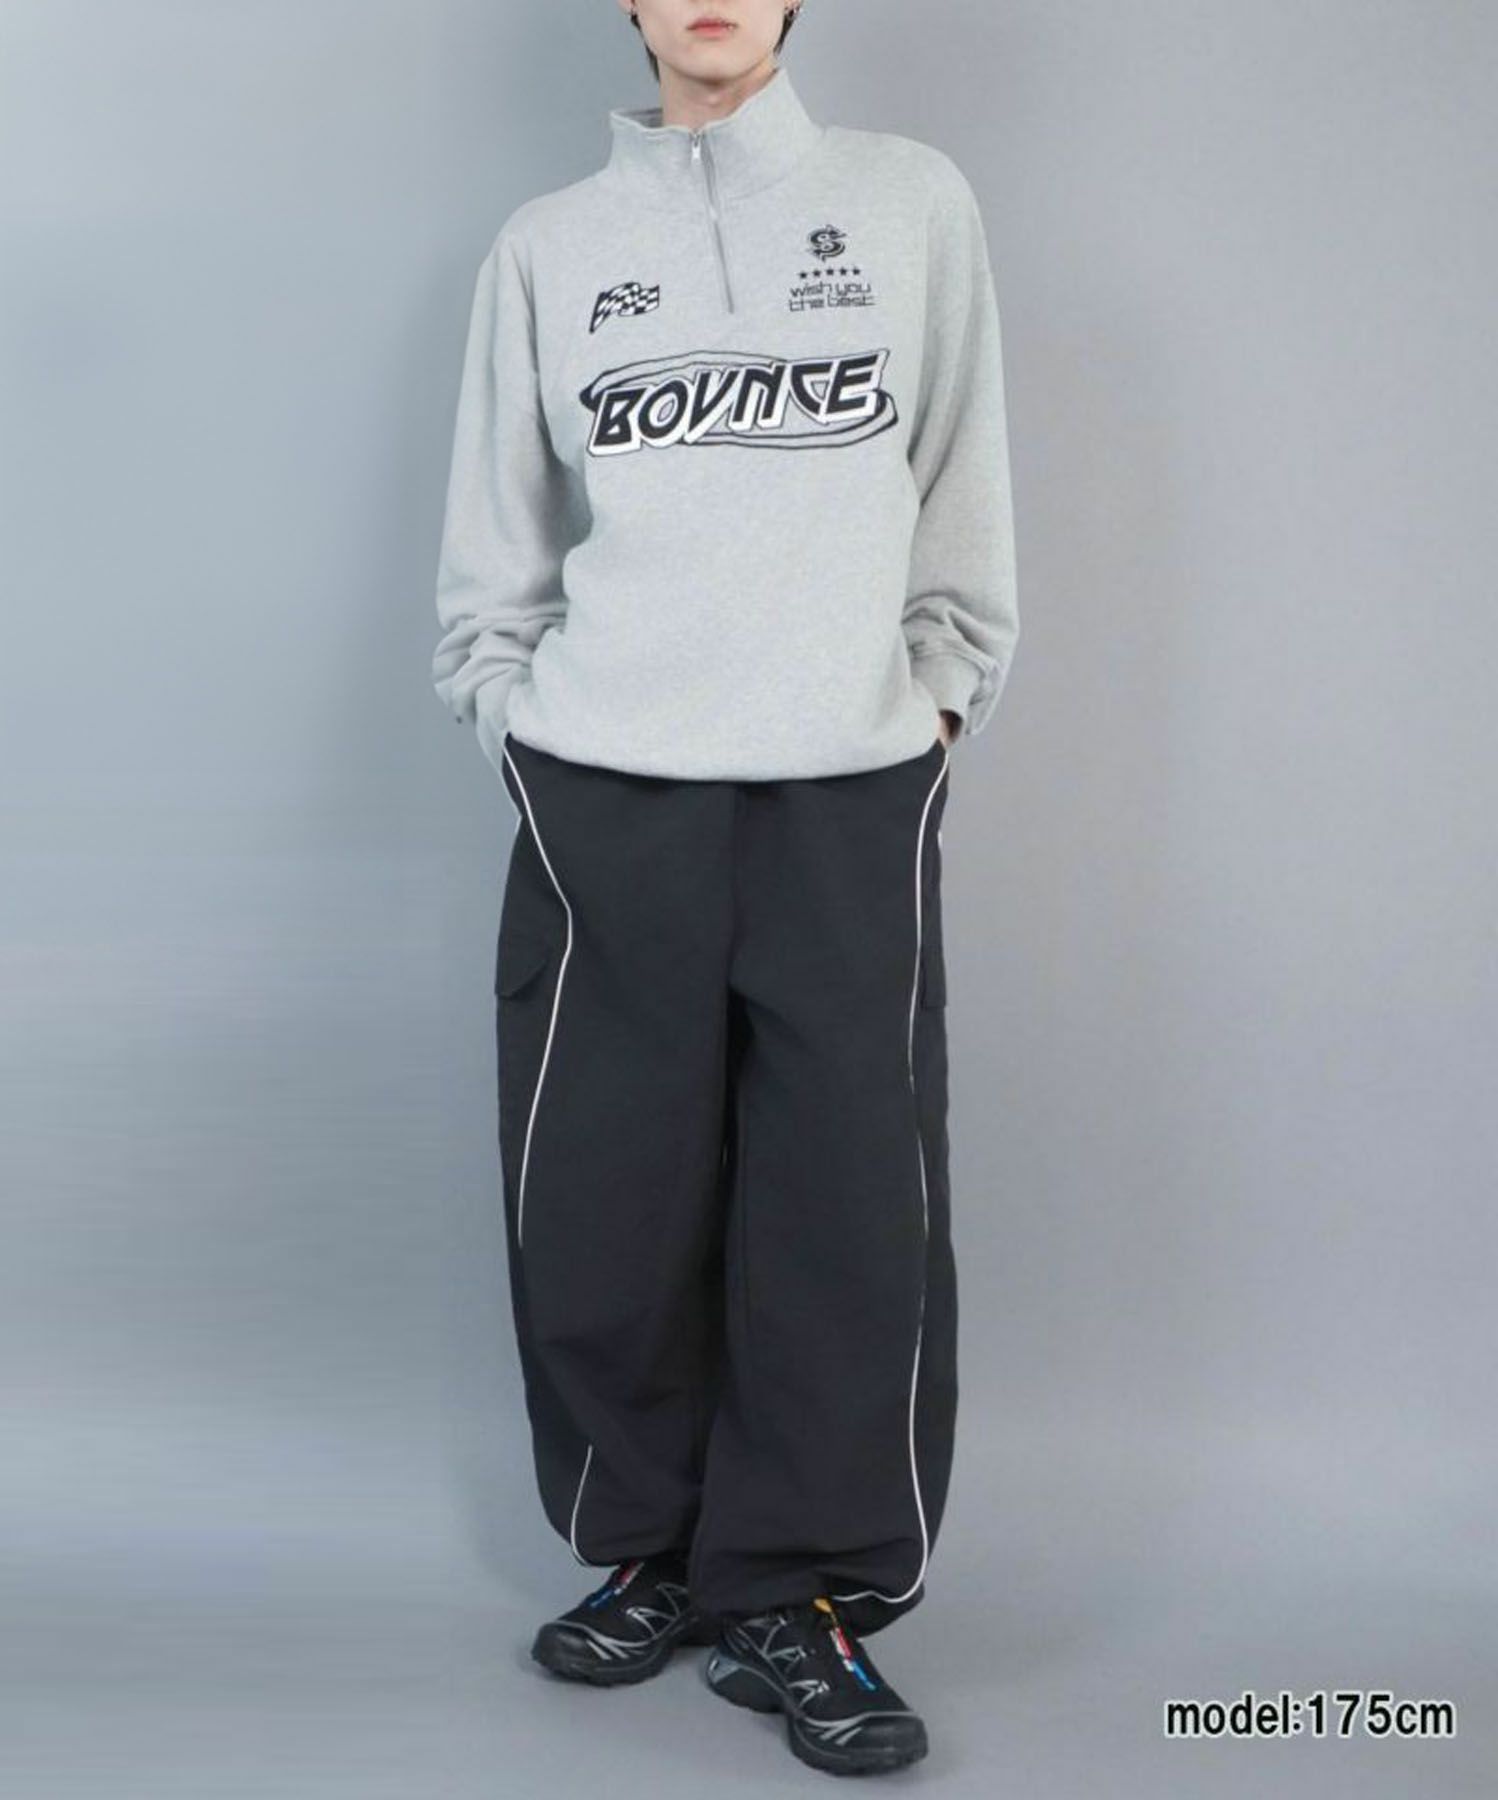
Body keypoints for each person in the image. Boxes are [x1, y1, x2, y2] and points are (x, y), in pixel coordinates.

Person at [430, 0, 1018, 1776]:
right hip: (607, 788)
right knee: (603, 1193)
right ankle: (656, 1553)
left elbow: (958, 476)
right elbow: (496, 539)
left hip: (843, 786)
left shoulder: (906, 202)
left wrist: (938, 692)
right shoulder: (547, 247)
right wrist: (511, 715)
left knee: (842, 1208)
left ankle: (799, 1591)